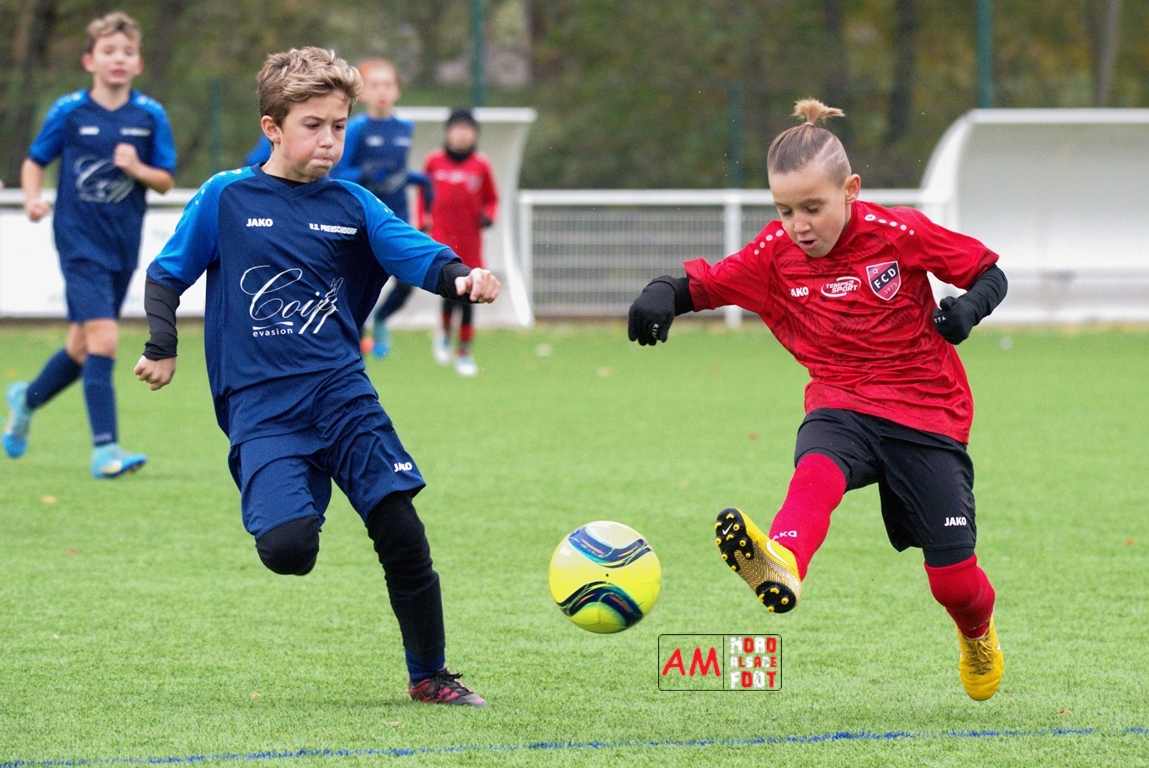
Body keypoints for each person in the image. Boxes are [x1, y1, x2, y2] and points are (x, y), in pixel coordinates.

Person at [133, 47, 497, 707]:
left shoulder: (353, 204)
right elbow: (165, 276)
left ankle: (429, 674)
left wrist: (460, 277)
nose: (329, 140)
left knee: (401, 529)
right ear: (272, 128)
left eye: (339, 125)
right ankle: (299, 484)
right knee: (288, 549)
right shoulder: (226, 197)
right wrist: (163, 345)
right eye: (313, 125)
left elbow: (415, 254)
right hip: (262, 406)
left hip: (341, 394)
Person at [627, 99, 1009, 702]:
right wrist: (661, 294)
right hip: (840, 399)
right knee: (817, 468)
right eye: (784, 210)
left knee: (953, 584)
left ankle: (977, 634)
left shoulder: (898, 231)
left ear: (850, 190)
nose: (798, 225)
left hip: (927, 412)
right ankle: (782, 562)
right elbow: (705, 285)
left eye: (812, 207)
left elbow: (989, 271)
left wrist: (968, 310)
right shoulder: (773, 253)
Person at [4, 11, 176, 478]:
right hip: (78, 240)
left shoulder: (150, 115)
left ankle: (25, 400)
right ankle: (106, 450)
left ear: (138, 63)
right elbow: (34, 161)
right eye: (108, 51)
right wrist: (33, 198)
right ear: (89, 60)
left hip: (122, 243)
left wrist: (137, 169)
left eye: (127, 52)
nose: (118, 59)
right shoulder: (69, 111)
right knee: (104, 338)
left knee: (82, 347)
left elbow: (165, 180)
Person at [331, 59, 433, 360]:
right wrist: (364, 173)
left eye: (388, 85)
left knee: (407, 280)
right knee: (358, 287)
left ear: (397, 91)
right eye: (374, 85)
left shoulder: (406, 128)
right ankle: (355, 355)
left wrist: (420, 182)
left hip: (397, 217)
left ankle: (382, 319)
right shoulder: (355, 128)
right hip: (360, 220)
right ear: (362, 93)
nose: (382, 92)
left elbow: (397, 173)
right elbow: (337, 174)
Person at [418, 108, 497, 377]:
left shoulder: (481, 165)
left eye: (467, 129)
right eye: (457, 128)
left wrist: (489, 216)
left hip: (470, 243)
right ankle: (444, 334)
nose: (462, 134)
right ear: (448, 132)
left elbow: (492, 199)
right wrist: (423, 219)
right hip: (443, 241)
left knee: (471, 296)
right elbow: (423, 195)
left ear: (475, 134)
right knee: (449, 291)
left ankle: (464, 351)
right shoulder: (434, 162)